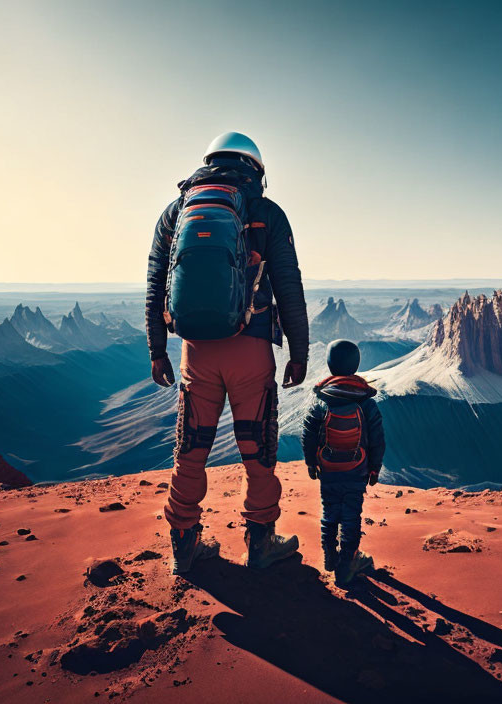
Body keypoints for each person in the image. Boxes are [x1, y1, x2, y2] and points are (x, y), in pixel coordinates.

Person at [146, 132, 309, 574]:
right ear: (255, 168)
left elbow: (156, 281)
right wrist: (299, 353)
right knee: (258, 453)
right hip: (251, 349)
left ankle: (183, 546)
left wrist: (157, 350)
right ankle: (261, 543)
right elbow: (289, 288)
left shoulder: (176, 212)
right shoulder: (266, 212)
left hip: (195, 351)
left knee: (190, 448)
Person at [301, 339, 385, 585]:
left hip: (328, 470)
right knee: (351, 515)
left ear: (329, 366)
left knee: (329, 510)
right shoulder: (366, 402)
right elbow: (378, 439)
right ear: (356, 366)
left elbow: (307, 434)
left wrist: (310, 463)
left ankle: (329, 554)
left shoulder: (320, 400)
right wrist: (374, 468)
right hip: (356, 471)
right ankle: (348, 562)